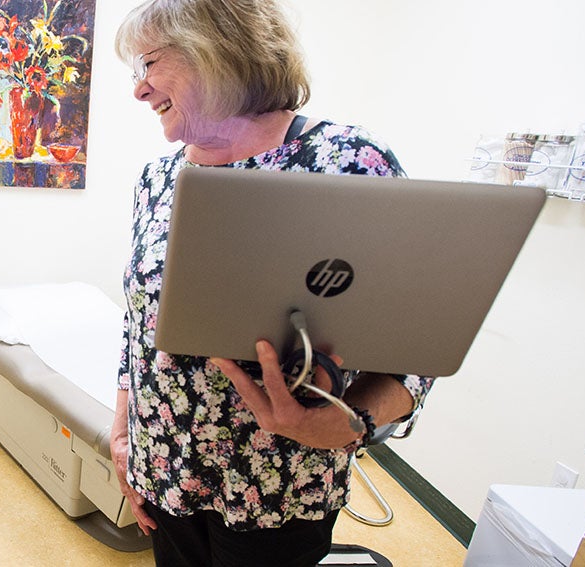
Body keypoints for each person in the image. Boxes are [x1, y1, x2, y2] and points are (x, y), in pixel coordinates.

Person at [108, 1, 435, 565]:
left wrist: (349, 420)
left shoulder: (347, 163)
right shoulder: (159, 179)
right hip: (165, 469)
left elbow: (422, 334)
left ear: (216, 50)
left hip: (279, 486)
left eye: (150, 64)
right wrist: (124, 437)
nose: (139, 90)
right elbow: (140, 326)